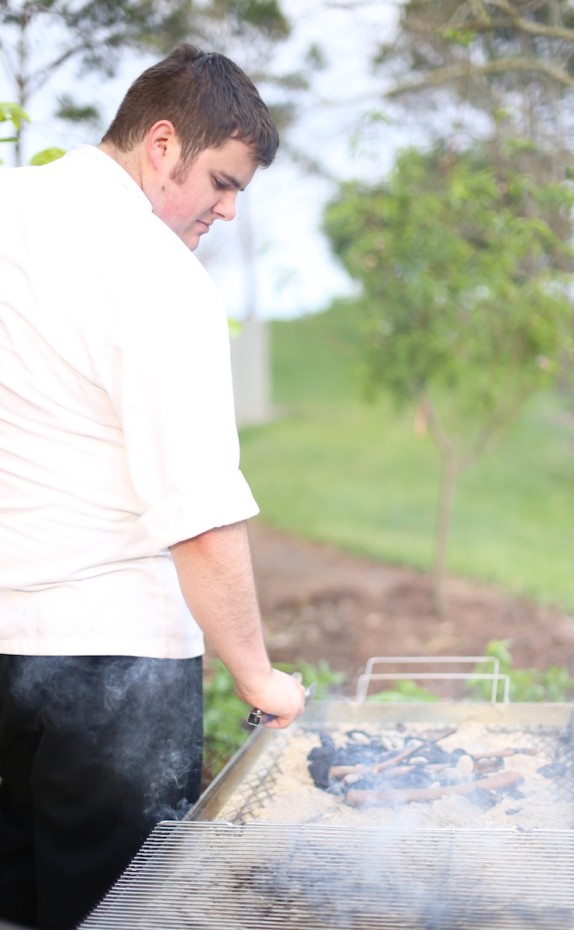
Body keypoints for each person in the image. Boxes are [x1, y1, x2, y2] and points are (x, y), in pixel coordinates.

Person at [0, 44, 306, 930]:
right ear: (161, 144)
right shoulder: (158, 274)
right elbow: (202, 519)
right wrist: (259, 679)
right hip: (111, 671)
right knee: (125, 916)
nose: (228, 210)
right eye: (221, 180)